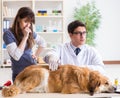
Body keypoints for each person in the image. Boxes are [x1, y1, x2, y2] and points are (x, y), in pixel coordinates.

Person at [3, 7, 46, 82]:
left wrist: (36, 55)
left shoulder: (30, 32)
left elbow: (42, 42)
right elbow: (16, 56)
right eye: (25, 21)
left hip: (33, 71)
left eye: (30, 22)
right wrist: (25, 37)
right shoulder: (8, 34)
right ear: (18, 19)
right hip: (19, 74)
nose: (28, 25)